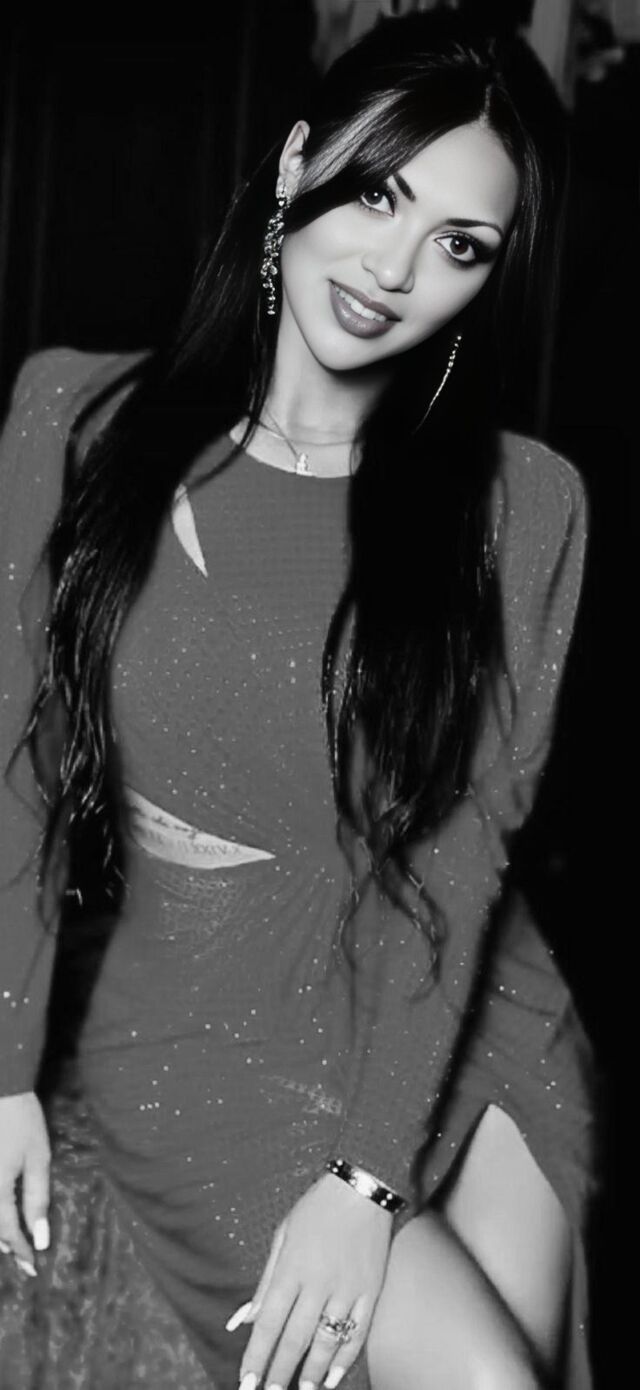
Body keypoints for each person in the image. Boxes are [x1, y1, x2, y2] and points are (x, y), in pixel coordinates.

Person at [0, 12, 597, 1390]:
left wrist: (367, 1180)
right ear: (292, 168)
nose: (395, 268)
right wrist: (7, 1068)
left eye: (460, 244)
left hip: (463, 999)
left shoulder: (522, 505)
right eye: (378, 194)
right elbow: (15, 768)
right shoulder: (77, 422)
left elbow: (458, 858)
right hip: (205, 1026)